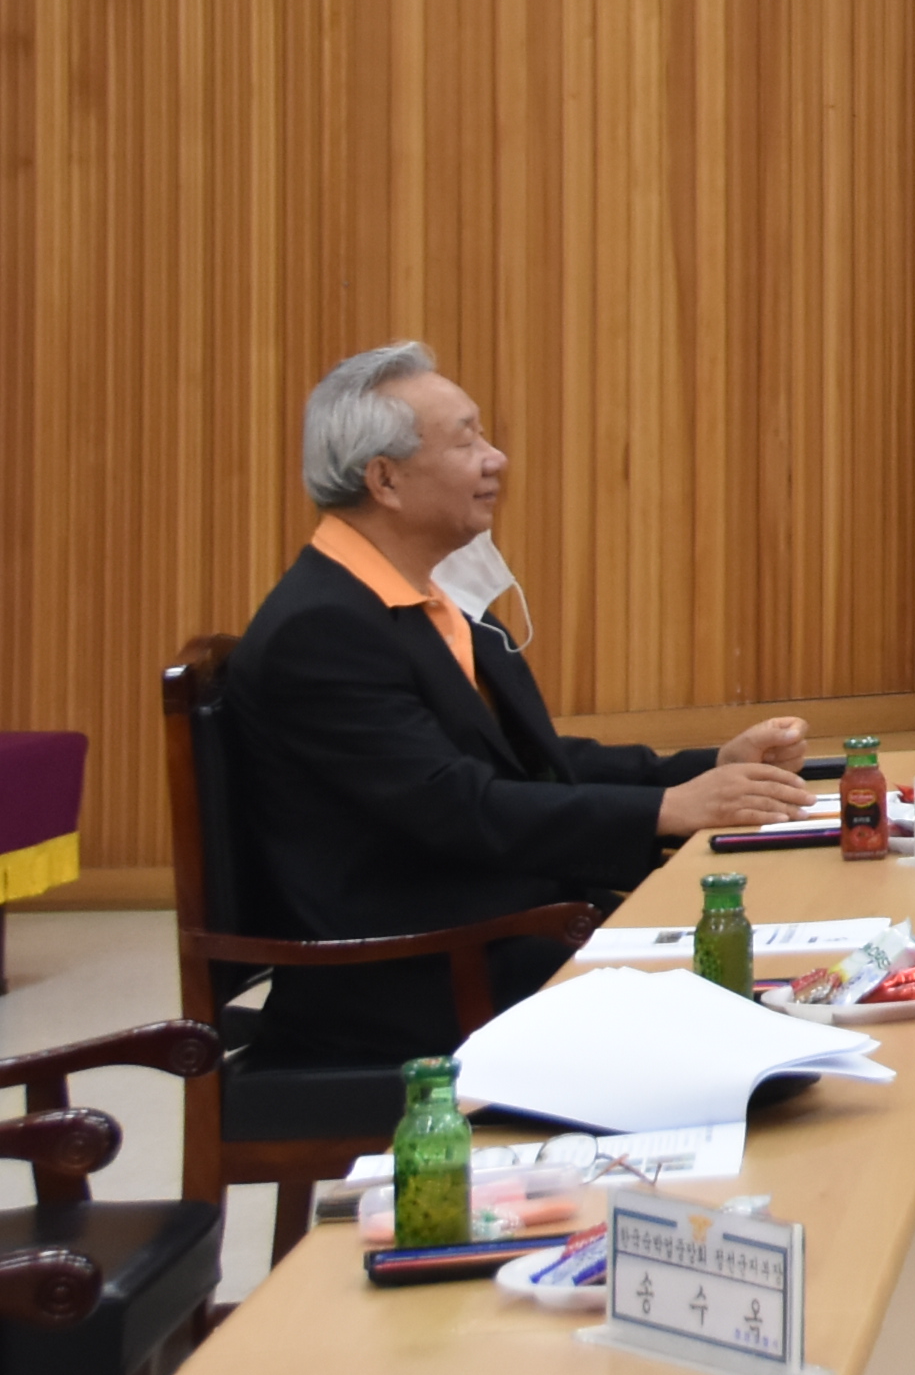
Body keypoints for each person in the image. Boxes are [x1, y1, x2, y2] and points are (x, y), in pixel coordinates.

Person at [225, 343, 821, 1068]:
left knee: (790, 972)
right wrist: (667, 810)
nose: (496, 458)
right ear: (384, 479)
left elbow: (528, 764)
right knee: (764, 1012)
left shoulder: (424, 599)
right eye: (466, 440)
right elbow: (457, 806)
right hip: (423, 978)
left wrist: (701, 770)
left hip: (499, 933)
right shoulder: (322, 628)